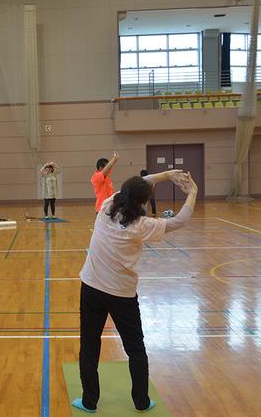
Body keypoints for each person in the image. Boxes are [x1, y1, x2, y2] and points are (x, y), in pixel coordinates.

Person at [72, 170, 197, 414]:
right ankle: (141, 402)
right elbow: (180, 220)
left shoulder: (107, 206)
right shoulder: (143, 225)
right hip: (122, 295)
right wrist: (192, 191)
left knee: (89, 346)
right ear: (142, 201)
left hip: (91, 288)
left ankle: (89, 402)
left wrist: (165, 175)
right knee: (135, 348)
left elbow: (137, 186)